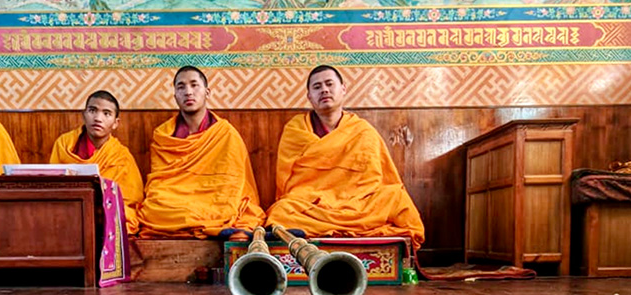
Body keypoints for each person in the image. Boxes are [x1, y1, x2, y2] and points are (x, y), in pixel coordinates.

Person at [265, 65, 425, 249]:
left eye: (329, 84)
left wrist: (349, 198)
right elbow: (288, 180)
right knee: (281, 211)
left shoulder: (362, 131)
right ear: (309, 96)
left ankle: (327, 229)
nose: (324, 90)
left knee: (396, 197)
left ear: (343, 89)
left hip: (357, 203)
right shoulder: (295, 129)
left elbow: (378, 178)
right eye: (317, 87)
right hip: (313, 204)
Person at [137, 66, 265, 238]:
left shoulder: (226, 133)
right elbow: (160, 184)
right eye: (181, 87)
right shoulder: (163, 135)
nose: (188, 92)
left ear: (207, 92)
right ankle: (208, 224)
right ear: (175, 96)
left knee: (227, 207)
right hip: (174, 202)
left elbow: (233, 184)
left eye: (194, 85)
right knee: (152, 209)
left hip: (214, 199)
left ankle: (198, 221)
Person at [50, 91, 143, 234]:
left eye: (106, 113)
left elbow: (131, 200)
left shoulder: (121, 155)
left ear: (115, 123)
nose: (98, 118)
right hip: (70, 208)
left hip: (104, 212)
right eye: (93, 111)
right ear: (84, 114)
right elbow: (52, 183)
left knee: (127, 217)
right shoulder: (64, 144)